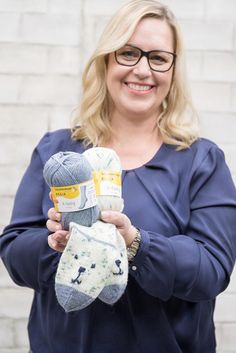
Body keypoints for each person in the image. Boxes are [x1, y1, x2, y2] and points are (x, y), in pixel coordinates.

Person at [0, 0, 236, 352]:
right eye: (128, 53)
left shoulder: (201, 161)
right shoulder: (57, 150)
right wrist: (61, 243)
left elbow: (211, 270)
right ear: (106, 61)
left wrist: (134, 243)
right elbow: (15, 251)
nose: (143, 69)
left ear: (172, 70)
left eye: (158, 58)